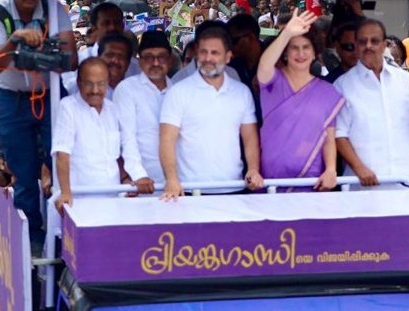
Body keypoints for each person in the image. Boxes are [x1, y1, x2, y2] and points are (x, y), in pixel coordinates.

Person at [0, 0, 74, 246]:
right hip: (11, 99)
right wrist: (16, 40)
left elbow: (70, 58)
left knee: (60, 160)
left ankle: (64, 233)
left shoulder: (53, 8)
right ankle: (32, 241)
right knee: (21, 171)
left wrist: (47, 51)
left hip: (49, 95)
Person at [158, 25, 261, 199]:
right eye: (204, 52)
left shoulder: (242, 92)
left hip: (233, 188)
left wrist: (253, 169)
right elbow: (167, 138)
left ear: (228, 57)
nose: (208, 58)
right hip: (189, 190)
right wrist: (172, 178)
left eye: (215, 53)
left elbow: (250, 137)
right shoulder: (178, 91)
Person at [333, 19, 409, 186]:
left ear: (384, 44)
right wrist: (360, 169)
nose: (368, 46)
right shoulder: (342, 86)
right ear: (356, 45)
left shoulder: (408, 81)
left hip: (403, 181)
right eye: (363, 41)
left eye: (374, 41)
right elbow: (339, 134)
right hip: (361, 185)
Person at [256, 8, 344, 189]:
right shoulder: (272, 82)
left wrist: (331, 169)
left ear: (314, 53)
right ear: (285, 53)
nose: (300, 53)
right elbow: (265, 64)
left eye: (306, 48)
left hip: (311, 181)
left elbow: (328, 136)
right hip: (271, 183)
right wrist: (287, 33)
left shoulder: (327, 92)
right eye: (294, 48)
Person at [52, 58, 153, 210]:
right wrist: (66, 193)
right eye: (88, 83)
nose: (95, 90)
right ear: (79, 82)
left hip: (113, 201)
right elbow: (62, 154)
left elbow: (122, 149)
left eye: (101, 84)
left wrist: (131, 180)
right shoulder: (68, 107)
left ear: (108, 83)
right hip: (79, 201)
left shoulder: (113, 109)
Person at [114, 30, 173, 184]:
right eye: (148, 57)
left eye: (161, 57)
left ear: (170, 60)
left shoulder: (179, 91)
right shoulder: (127, 89)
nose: (155, 63)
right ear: (139, 61)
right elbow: (127, 137)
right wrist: (138, 175)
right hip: (141, 182)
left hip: (178, 181)